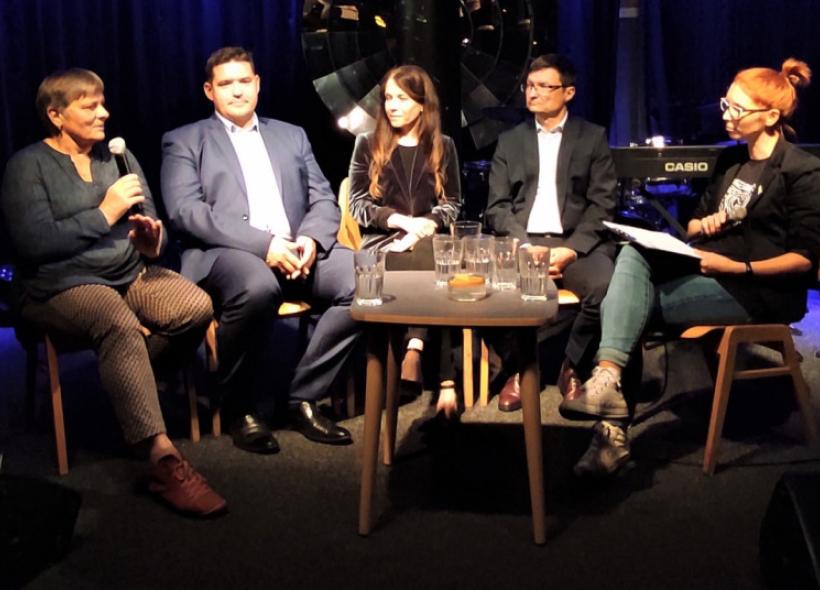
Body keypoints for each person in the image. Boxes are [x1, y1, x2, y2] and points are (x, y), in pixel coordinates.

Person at [561, 58, 820, 476]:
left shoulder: (801, 170)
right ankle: (607, 379)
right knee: (632, 255)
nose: (727, 115)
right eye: (726, 105)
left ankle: (610, 434)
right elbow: (695, 224)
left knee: (627, 307)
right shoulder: (730, 162)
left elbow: (805, 258)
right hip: (709, 270)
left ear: (771, 116)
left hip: (756, 290)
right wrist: (707, 224)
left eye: (737, 109)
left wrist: (737, 268)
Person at [0, 69, 226, 516]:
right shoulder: (27, 166)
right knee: (116, 323)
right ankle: (162, 458)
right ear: (56, 115)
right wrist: (105, 214)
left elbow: (151, 220)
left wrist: (151, 241)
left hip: (129, 273)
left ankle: (124, 382)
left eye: (103, 103)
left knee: (194, 306)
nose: (104, 113)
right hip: (61, 284)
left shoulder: (118, 156)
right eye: (89, 106)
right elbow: (33, 243)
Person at [161, 47, 359, 452]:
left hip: (298, 249)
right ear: (209, 91)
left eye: (243, 81)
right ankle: (240, 406)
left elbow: (323, 199)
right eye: (226, 84)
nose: (237, 91)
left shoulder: (291, 134)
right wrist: (266, 246)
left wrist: (310, 239)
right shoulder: (184, 140)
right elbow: (186, 212)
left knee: (366, 279)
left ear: (257, 84)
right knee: (257, 286)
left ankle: (301, 397)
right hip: (227, 255)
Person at [484, 53, 617, 411]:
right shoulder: (510, 141)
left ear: (568, 92)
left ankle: (570, 365)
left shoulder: (592, 138)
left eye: (544, 86)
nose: (533, 92)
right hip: (523, 242)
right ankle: (519, 368)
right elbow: (497, 206)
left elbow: (603, 205)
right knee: (485, 289)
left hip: (574, 244)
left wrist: (571, 250)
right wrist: (524, 246)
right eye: (530, 86)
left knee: (605, 287)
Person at [348, 65, 462, 417]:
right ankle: (444, 380)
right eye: (388, 98)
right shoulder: (367, 143)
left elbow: (452, 204)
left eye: (402, 98)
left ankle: (415, 349)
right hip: (382, 243)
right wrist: (400, 222)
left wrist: (422, 227)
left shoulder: (443, 145)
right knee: (429, 264)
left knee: (432, 261)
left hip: (426, 240)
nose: (392, 106)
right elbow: (357, 204)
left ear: (422, 104)